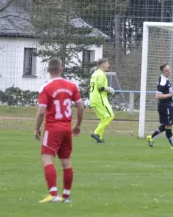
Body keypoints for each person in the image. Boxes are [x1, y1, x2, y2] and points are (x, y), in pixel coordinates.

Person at [35, 58, 84, 203]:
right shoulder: (72, 86)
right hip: (67, 129)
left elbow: (41, 112)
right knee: (66, 162)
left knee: (47, 158)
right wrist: (78, 125)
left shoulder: (46, 88)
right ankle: (66, 196)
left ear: (48, 70)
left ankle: (53, 194)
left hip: (52, 129)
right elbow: (80, 106)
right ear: (61, 69)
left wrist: (37, 128)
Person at [146, 64, 173, 149]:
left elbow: (165, 93)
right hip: (165, 106)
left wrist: (172, 99)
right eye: (167, 70)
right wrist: (171, 95)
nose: (169, 72)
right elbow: (157, 96)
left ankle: (152, 137)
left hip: (167, 105)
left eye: (169, 69)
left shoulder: (165, 79)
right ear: (162, 72)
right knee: (168, 126)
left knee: (166, 125)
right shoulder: (162, 81)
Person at [89, 58, 115, 143]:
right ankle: (96, 133)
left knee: (103, 118)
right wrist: (109, 89)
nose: (108, 65)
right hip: (100, 99)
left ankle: (99, 138)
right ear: (102, 64)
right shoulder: (100, 74)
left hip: (93, 98)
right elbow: (100, 88)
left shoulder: (95, 74)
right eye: (107, 63)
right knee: (110, 116)